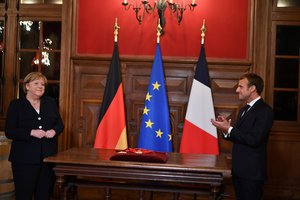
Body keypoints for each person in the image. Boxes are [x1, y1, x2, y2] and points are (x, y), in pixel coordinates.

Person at [211, 73, 273, 200]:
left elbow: (254, 139)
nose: (237, 90)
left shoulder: (265, 111)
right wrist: (225, 129)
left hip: (252, 173)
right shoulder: (244, 109)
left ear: (252, 88)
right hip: (239, 170)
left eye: (241, 86)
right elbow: (238, 136)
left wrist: (229, 129)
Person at [5, 72, 64, 200]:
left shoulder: (50, 102)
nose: (40, 86)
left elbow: (59, 124)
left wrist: (54, 131)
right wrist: (31, 132)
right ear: (27, 86)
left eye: (43, 84)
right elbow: (9, 131)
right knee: (24, 195)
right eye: (36, 83)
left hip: (48, 159)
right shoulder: (16, 105)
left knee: (44, 195)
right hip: (23, 160)